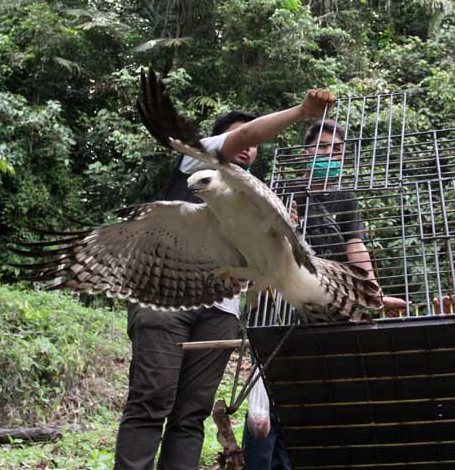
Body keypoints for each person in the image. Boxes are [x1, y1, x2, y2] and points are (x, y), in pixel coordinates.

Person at [113, 89, 334, 470]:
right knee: (150, 402)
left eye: (253, 143)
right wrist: (302, 111)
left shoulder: (252, 195)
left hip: (220, 309)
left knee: (192, 413)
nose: (249, 147)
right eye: (240, 137)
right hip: (163, 299)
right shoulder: (197, 163)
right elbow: (244, 138)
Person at [242, 118, 406, 470]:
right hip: (280, 301)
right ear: (306, 154)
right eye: (323, 148)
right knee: (270, 387)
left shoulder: (344, 196)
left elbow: (355, 245)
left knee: (314, 390)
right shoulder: (284, 187)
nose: (330, 155)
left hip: (331, 301)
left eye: (337, 150)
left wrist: (373, 294)